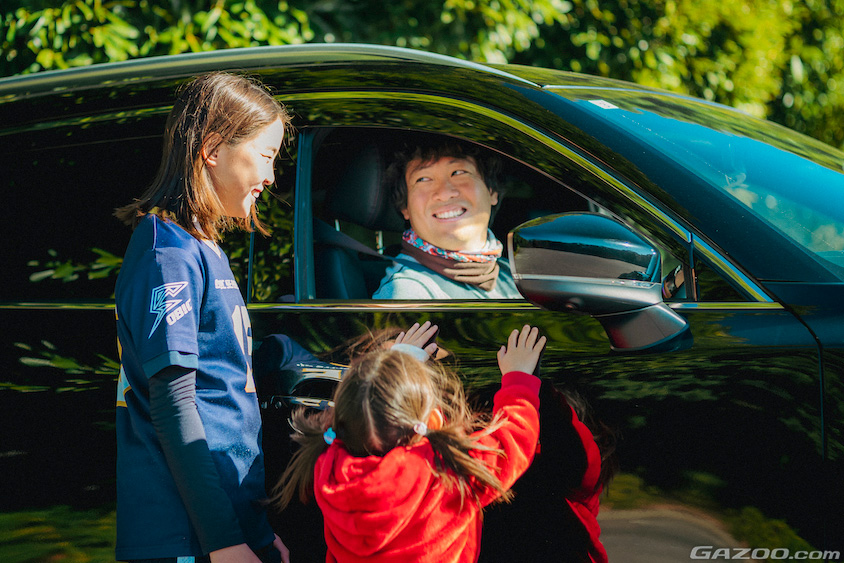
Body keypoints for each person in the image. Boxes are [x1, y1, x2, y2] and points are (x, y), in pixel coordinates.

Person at [113, 71, 291, 563]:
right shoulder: (165, 253)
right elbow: (175, 404)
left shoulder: (200, 246)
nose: (272, 177)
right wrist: (224, 541)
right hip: (186, 538)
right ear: (213, 149)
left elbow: (225, 387)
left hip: (226, 528)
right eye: (266, 154)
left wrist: (252, 530)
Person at [273, 322, 545, 562]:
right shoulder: (446, 473)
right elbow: (513, 441)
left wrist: (395, 365)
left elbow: (366, 409)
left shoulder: (328, 467)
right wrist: (518, 379)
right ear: (435, 421)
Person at [372, 139, 522, 299]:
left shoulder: (514, 277)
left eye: (458, 172)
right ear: (405, 208)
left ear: (492, 191)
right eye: (423, 179)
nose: (444, 193)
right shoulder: (409, 293)